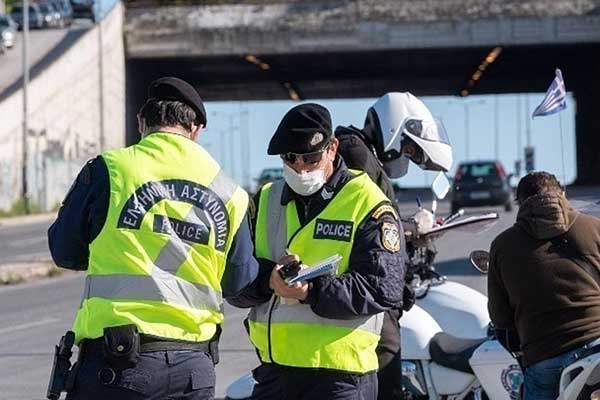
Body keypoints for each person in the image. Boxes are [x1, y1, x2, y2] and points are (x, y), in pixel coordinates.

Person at [47, 77, 260, 400]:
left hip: (118, 366)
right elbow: (239, 282)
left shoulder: (111, 169)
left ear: (141, 122)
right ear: (196, 129)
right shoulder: (231, 193)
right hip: (194, 369)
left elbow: (64, 251)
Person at [229, 103, 405, 400]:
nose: (301, 168)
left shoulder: (366, 201)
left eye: (311, 157)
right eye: (290, 158)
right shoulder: (266, 199)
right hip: (275, 374)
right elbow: (235, 283)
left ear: (332, 148)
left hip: (340, 378)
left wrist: (311, 290)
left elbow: (383, 288)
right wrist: (269, 280)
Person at [335, 92, 453, 399]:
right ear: (393, 131)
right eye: (409, 147)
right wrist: (411, 227)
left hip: (368, 292)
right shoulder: (356, 156)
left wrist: (410, 232)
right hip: (368, 293)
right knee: (386, 381)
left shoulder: (360, 155)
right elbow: (367, 222)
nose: (409, 156)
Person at [488, 171, 600, 400]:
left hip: (544, 355)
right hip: (596, 347)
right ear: (563, 194)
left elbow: (501, 318)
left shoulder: (502, 245)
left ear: (519, 203)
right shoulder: (594, 228)